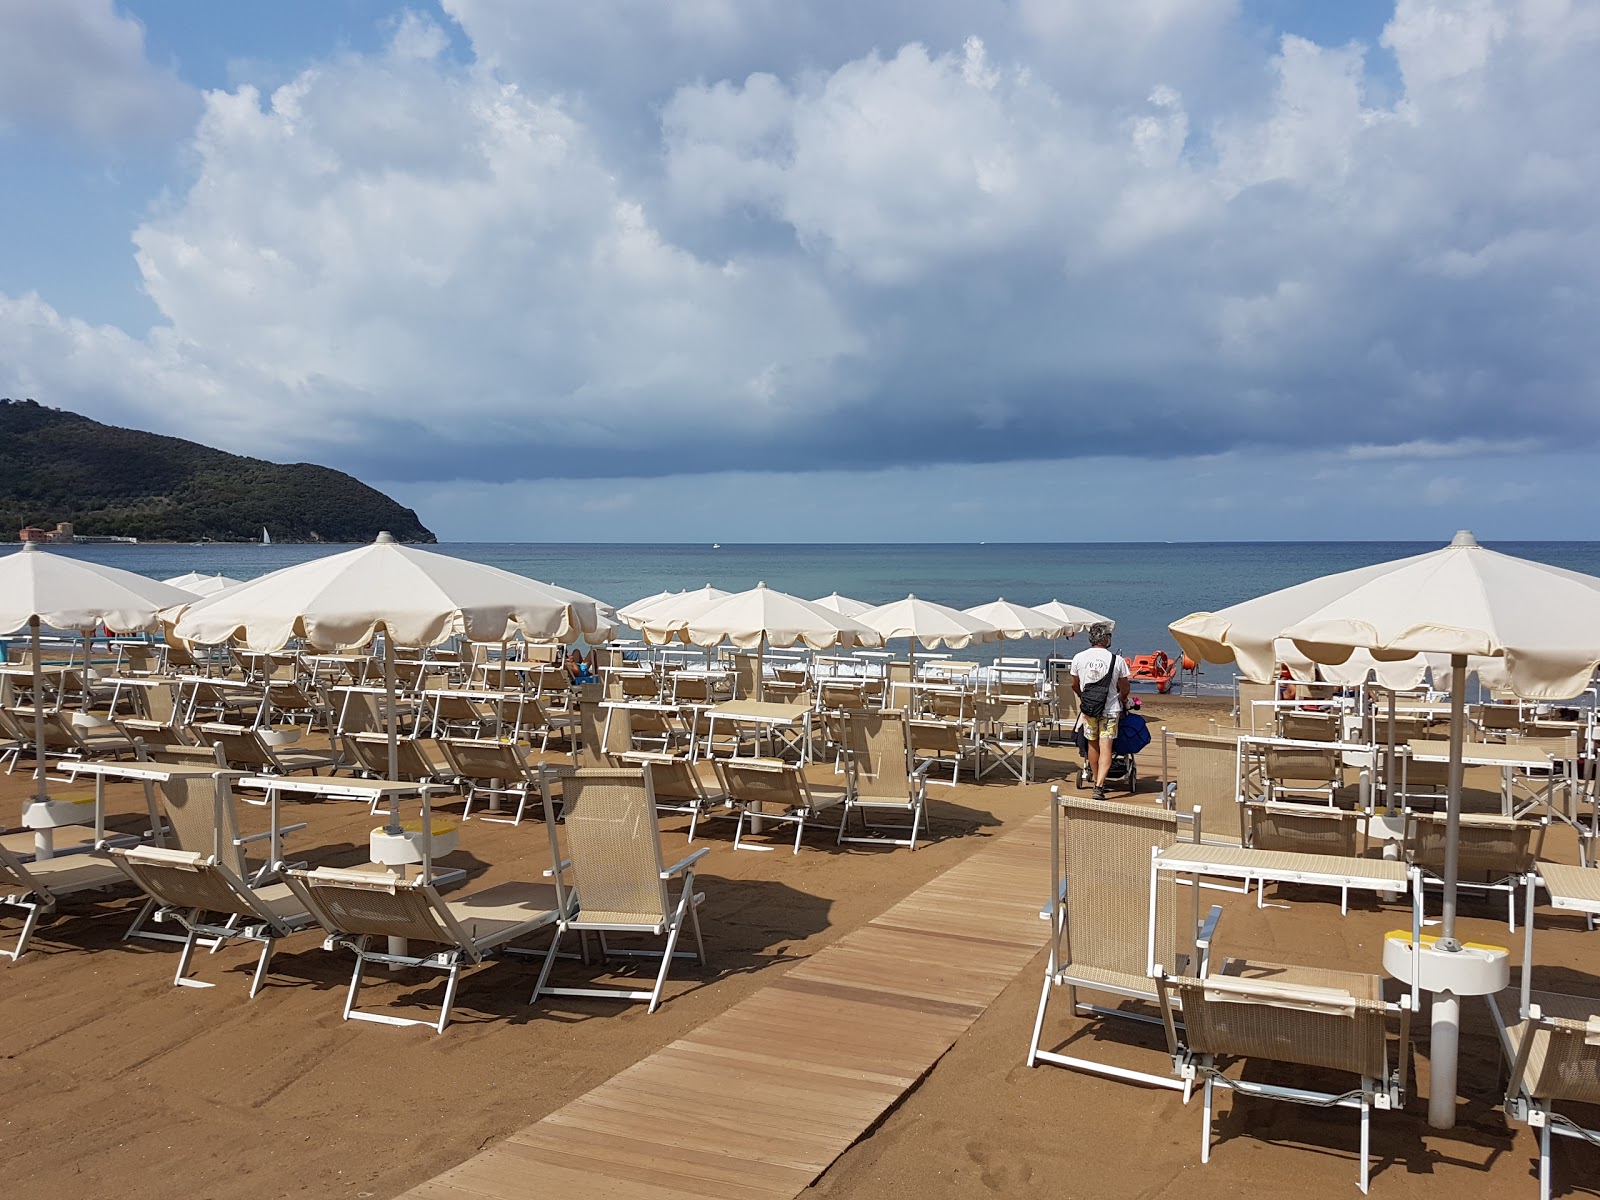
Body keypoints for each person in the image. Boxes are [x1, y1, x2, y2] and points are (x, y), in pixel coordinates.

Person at [1070, 623, 1131, 800]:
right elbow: (1125, 687)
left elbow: (1074, 684)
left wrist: (1084, 697)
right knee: (1106, 747)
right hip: (1110, 709)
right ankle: (1099, 785)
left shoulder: (1079, 658)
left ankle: (1096, 779)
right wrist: (1123, 699)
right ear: (1105, 638)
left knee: (1092, 744)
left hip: (1089, 710)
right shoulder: (1116, 660)